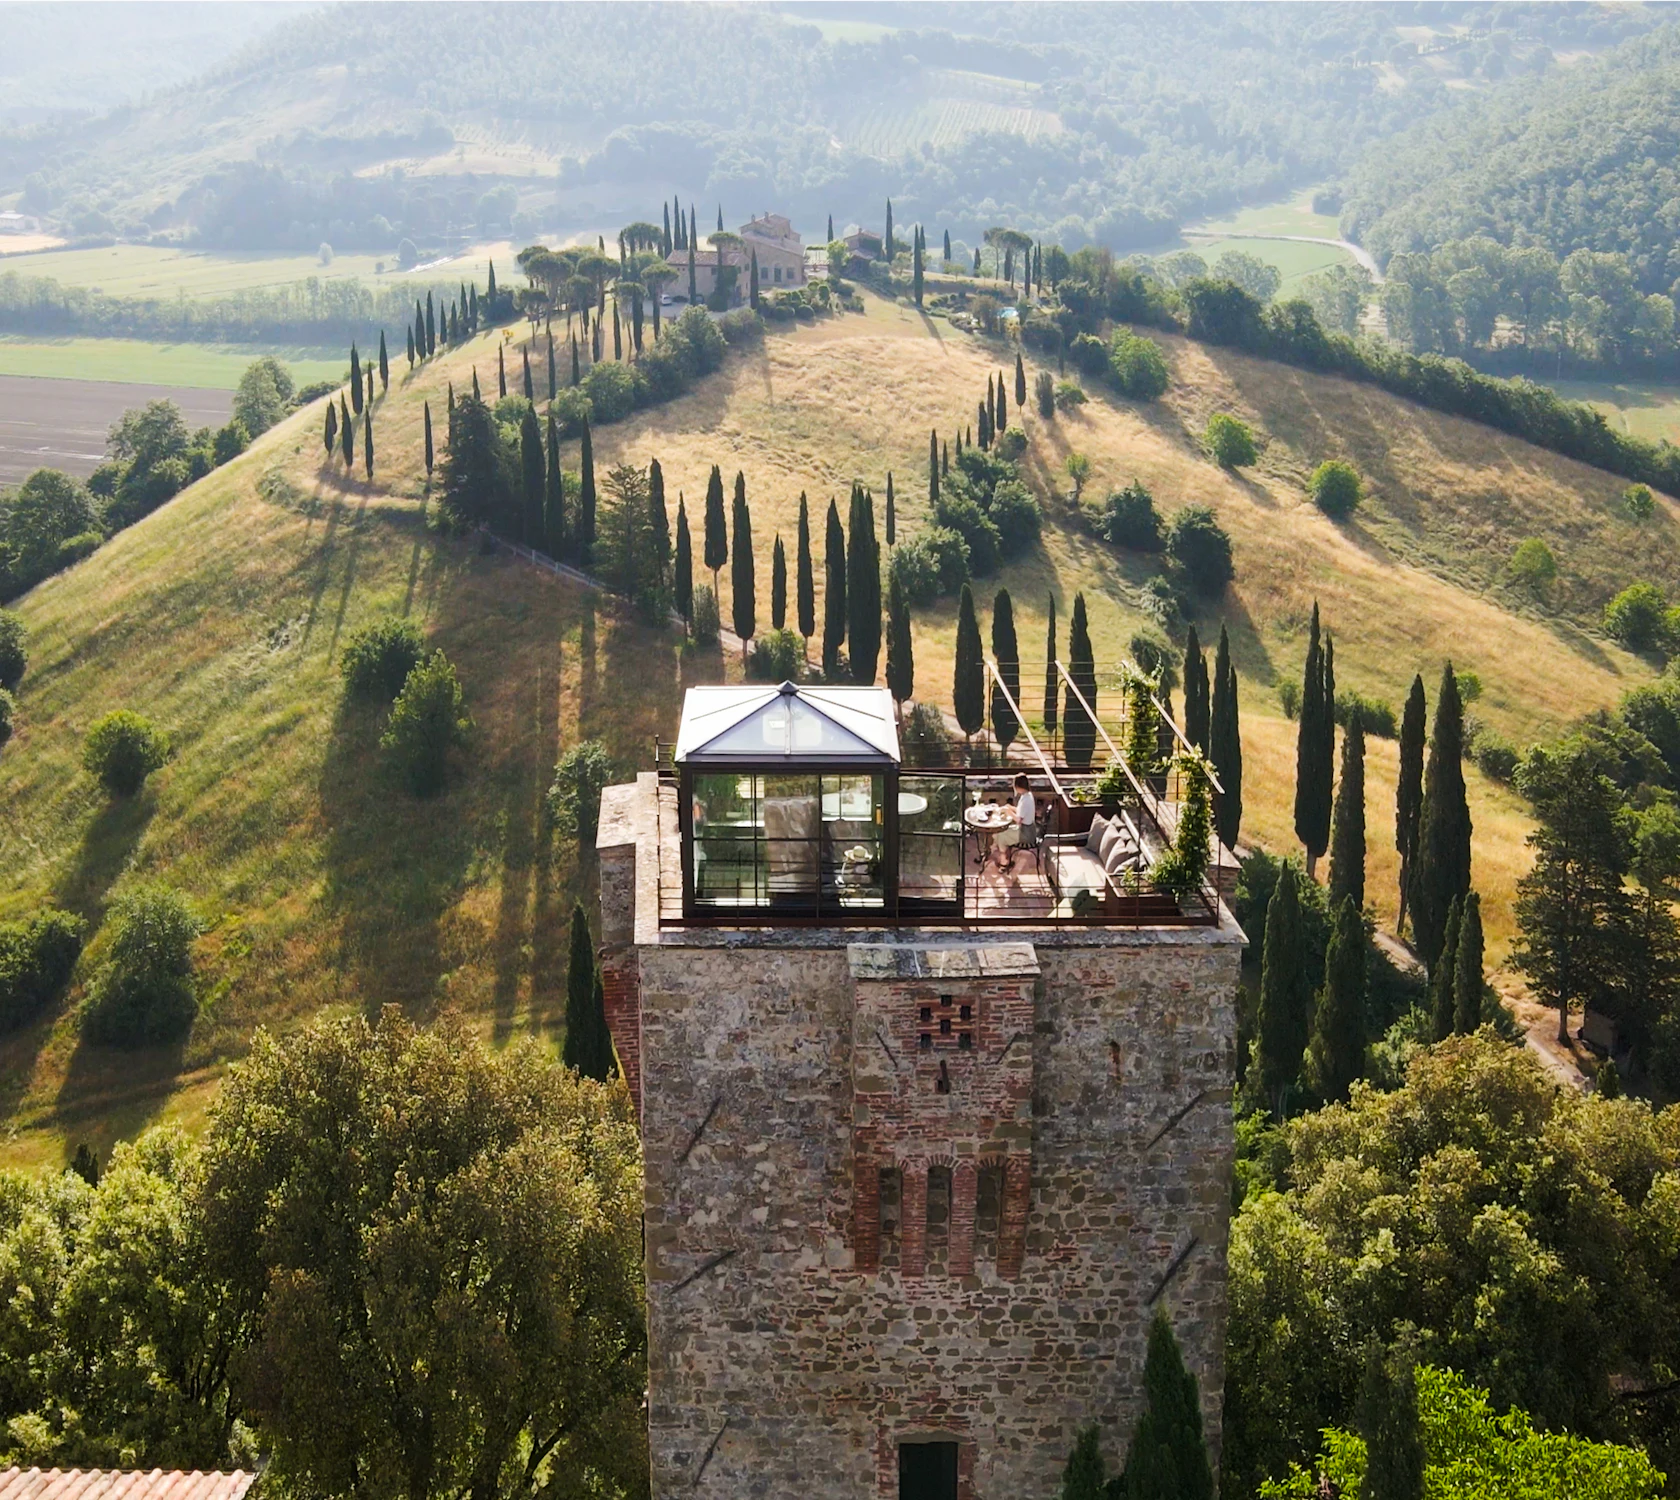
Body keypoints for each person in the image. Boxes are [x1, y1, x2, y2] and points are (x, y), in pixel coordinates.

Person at [991, 773, 1038, 870]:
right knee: (999, 832)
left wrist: (1008, 812)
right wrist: (1010, 807)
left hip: (1026, 834)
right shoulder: (1027, 795)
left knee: (1002, 836)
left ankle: (1004, 862)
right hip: (1028, 829)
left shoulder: (1026, 800)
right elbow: (1021, 811)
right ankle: (1003, 855)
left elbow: (1018, 819)